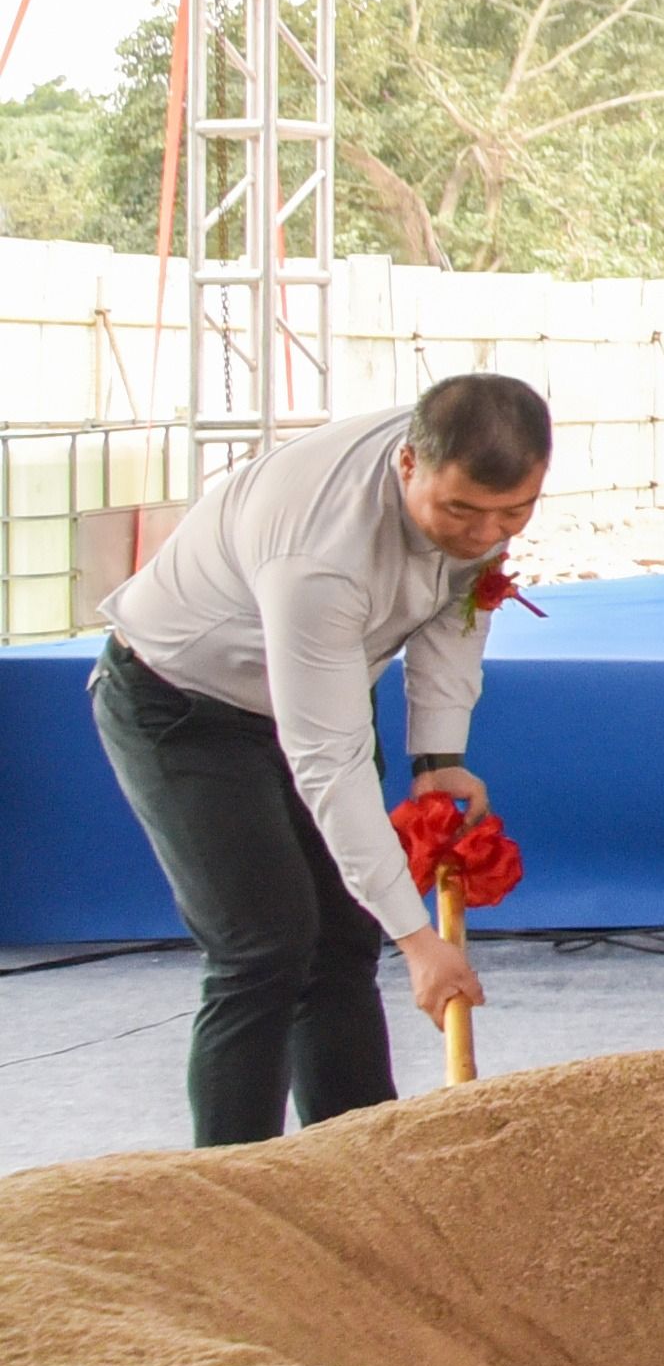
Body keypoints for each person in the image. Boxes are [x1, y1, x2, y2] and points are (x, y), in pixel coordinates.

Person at [91, 377, 546, 1144]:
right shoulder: (319, 555)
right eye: (462, 511)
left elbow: (457, 604)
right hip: (183, 702)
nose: (485, 533)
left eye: (514, 513)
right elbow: (329, 763)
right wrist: (420, 945)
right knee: (264, 945)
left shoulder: (477, 480)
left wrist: (438, 755)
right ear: (408, 462)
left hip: (314, 685)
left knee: (342, 939)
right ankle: (239, 1184)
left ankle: (357, 1165)